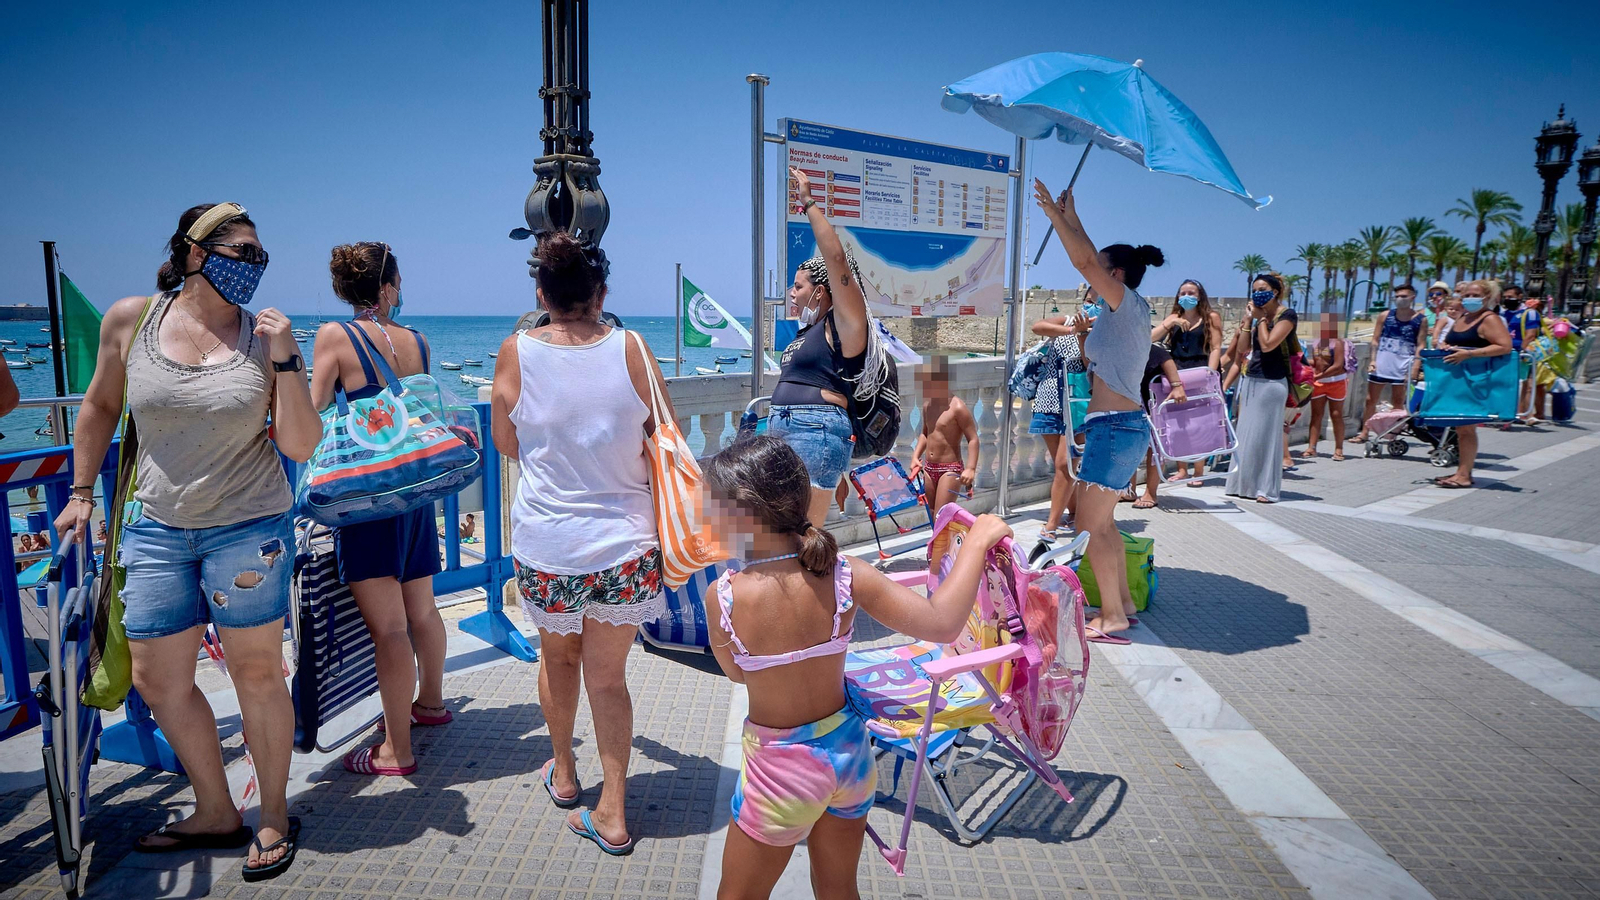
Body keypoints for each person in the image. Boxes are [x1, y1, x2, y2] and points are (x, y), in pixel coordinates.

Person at [53, 203, 320, 880]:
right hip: (156, 530)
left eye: (259, 255)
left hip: (249, 527)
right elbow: (99, 406)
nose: (252, 266)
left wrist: (287, 358)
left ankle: (272, 816)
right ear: (194, 252)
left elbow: (299, 443)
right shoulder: (132, 320)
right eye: (240, 251)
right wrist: (82, 492)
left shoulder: (266, 337)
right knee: (159, 680)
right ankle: (215, 810)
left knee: (256, 675)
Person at [701, 435, 1013, 900]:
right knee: (838, 890)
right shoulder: (845, 572)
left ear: (745, 511)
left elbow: (737, 674)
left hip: (780, 774)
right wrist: (977, 541)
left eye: (713, 507)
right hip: (849, 757)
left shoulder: (724, 596)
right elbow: (943, 623)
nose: (707, 517)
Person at [492, 231, 676, 855]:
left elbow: (508, 442)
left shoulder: (515, 351)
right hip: (625, 546)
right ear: (601, 294)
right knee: (609, 679)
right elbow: (664, 433)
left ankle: (565, 774)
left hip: (549, 544)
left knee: (557, 659)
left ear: (541, 293)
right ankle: (614, 810)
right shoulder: (633, 348)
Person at [309, 242, 449, 778]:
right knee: (422, 610)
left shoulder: (334, 336)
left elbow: (317, 406)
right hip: (413, 493)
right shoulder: (417, 341)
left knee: (388, 629)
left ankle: (396, 750)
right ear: (387, 285)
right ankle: (431, 704)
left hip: (366, 497)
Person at [1033, 179, 1162, 644]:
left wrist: (1053, 216)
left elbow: (1085, 258)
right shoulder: (1118, 315)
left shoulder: (1126, 306)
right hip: (1117, 426)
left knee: (1090, 524)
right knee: (1102, 523)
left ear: (1117, 277)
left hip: (1115, 428)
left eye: (1101, 275)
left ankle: (1112, 617)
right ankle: (1122, 605)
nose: (1090, 279)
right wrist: (1072, 216)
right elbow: (1092, 255)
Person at [770, 166, 891, 526]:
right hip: (786, 429)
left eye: (798, 286)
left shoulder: (844, 324)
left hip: (816, 430)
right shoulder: (807, 331)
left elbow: (837, 260)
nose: (791, 293)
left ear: (821, 291)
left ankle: (831, 583)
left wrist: (807, 202)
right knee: (784, 533)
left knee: (804, 535)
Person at [1222, 273, 1298, 504]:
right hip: (1252, 380)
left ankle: (1267, 488)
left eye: (1262, 289)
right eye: (1254, 289)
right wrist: (1248, 322)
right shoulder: (1257, 318)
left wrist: (1262, 318)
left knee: (1267, 437)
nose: (1257, 293)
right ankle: (1241, 484)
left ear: (1275, 292)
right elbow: (1243, 350)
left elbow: (1267, 345)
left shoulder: (1287, 315)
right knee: (1246, 435)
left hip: (1272, 383)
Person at [1433, 280, 1513, 489]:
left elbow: (1505, 346)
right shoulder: (1463, 316)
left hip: (1474, 380)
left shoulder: (1489, 319)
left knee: (1466, 428)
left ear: (1487, 298)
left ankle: (1465, 475)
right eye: (1466, 294)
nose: (1469, 298)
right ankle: (1462, 470)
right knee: (1461, 428)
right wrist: (1446, 346)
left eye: (1474, 294)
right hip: (1458, 380)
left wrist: (1469, 354)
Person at [1027, 310, 1090, 544]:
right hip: (1050, 397)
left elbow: (1089, 364)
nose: (1090, 306)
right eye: (1089, 301)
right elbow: (1037, 326)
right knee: (1062, 466)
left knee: (1066, 463)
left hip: (1078, 401)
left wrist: (1084, 335)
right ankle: (1073, 514)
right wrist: (1073, 328)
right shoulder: (1069, 321)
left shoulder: (1104, 331)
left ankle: (1052, 524)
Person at [1152, 279, 1222, 486]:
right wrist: (1169, 323)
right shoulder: (1174, 317)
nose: (1187, 296)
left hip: (1199, 370)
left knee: (1200, 421)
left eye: (1191, 292)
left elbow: (1216, 347)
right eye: (1183, 292)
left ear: (1200, 296)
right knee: (1179, 420)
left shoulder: (1211, 317)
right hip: (1176, 372)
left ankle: (1198, 470)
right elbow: (1150, 338)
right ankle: (1182, 469)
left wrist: (1211, 373)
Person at [1353, 284, 1426, 442]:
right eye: (1397, 296)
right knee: (1370, 399)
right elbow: (1375, 339)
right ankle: (1364, 432)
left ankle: (1393, 433)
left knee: (1398, 401)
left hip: (1403, 365)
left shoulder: (1420, 320)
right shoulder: (1385, 316)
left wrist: (1415, 367)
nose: (1400, 300)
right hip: (1382, 363)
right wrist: (1373, 359)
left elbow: (1421, 344)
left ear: (1412, 297)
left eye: (1404, 296)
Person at [907, 357, 977, 518]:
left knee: (942, 514)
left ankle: (945, 543)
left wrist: (971, 468)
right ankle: (940, 544)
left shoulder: (957, 407)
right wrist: (915, 456)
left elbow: (973, 438)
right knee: (931, 513)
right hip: (929, 468)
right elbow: (925, 433)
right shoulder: (928, 405)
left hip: (949, 468)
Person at [1130, 344, 1189, 509]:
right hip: (1133, 399)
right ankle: (1129, 489)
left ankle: (1151, 492)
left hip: (1153, 400)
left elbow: (1165, 357)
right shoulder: (1119, 345)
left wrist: (1177, 385)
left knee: (1155, 447)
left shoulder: (1149, 348)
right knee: (1130, 444)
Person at [1303, 312, 1348, 460]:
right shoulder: (1317, 343)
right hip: (1320, 383)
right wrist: (1301, 361)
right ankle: (1312, 447)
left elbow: (1338, 365)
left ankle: (1339, 448)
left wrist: (1319, 375)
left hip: (1336, 382)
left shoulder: (1338, 343)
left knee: (1336, 415)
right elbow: (1318, 362)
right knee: (1316, 414)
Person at [1422, 281, 1451, 346]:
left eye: (1438, 294)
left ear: (1446, 295)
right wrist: (1424, 331)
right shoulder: (1423, 313)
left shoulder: (1451, 313)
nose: (1434, 296)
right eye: (1431, 294)